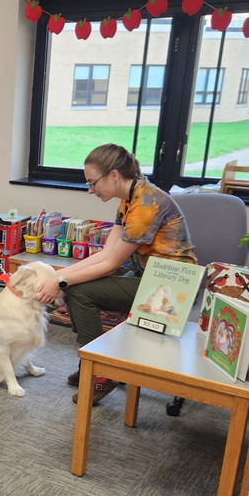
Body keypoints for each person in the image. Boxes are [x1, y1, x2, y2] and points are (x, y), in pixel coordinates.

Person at [37, 144, 196, 403]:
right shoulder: (130, 197)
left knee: (77, 289)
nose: (90, 190)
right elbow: (104, 254)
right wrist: (58, 275)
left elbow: (110, 263)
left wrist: (61, 280)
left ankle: (100, 371)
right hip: (149, 275)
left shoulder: (146, 204)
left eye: (92, 183)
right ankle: (95, 362)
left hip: (173, 288)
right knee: (74, 283)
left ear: (113, 175)